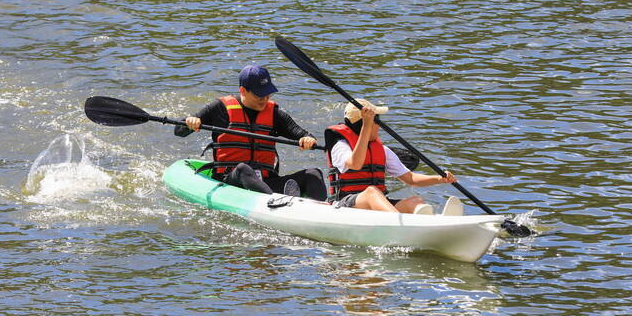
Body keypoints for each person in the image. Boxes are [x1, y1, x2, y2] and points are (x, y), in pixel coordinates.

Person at [181, 65, 327, 201]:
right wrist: (190, 123)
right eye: (259, 95)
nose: (265, 99)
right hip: (230, 182)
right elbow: (179, 131)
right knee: (243, 169)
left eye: (267, 94)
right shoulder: (220, 108)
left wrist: (308, 139)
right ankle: (277, 202)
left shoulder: (274, 113)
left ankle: (323, 213)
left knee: (313, 174)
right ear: (243, 91)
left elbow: (300, 133)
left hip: (266, 183)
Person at [324, 99, 457, 213]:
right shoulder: (340, 146)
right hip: (345, 205)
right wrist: (367, 125)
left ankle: (429, 223)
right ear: (364, 125)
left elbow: (411, 179)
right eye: (377, 121)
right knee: (372, 192)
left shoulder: (382, 150)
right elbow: (356, 163)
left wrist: (440, 179)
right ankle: (398, 224)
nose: (380, 126)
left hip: (376, 203)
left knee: (416, 202)